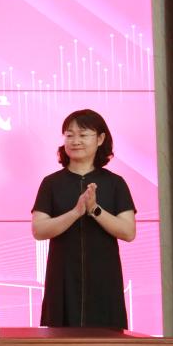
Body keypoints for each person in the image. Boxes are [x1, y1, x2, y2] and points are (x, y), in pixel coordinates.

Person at [31, 109, 137, 328]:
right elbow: (39, 230)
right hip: (63, 279)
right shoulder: (51, 183)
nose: (75, 141)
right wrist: (75, 213)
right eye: (69, 135)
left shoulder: (115, 183)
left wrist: (95, 210)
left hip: (104, 279)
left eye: (83, 134)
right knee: (59, 342)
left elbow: (128, 232)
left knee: (106, 343)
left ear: (100, 139)